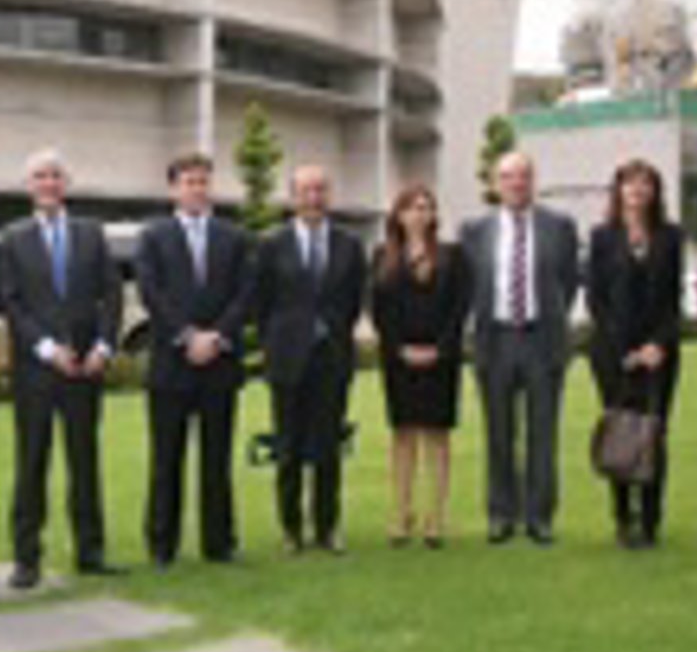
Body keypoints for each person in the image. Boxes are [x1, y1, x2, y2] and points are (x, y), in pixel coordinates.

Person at [0, 148, 124, 588]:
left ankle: (90, 551)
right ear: (28, 186)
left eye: (55, 175)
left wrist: (104, 347)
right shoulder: (13, 239)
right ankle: (26, 557)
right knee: (31, 462)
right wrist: (48, 349)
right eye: (40, 176)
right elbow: (11, 303)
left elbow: (112, 294)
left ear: (65, 184)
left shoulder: (91, 234)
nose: (48, 183)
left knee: (84, 462)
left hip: (86, 368)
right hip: (37, 370)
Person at [134, 153, 254, 568]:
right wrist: (187, 336)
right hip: (171, 364)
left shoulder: (233, 238)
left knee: (216, 459)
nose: (197, 189)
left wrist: (217, 336)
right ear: (174, 189)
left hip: (220, 362)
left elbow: (245, 293)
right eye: (189, 182)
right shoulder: (154, 237)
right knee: (166, 459)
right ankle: (162, 544)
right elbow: (151, 292)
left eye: (203, 182)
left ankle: (219, 543)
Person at [459, 151, 580, 546]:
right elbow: (468, 285)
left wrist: (551, 319)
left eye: (523, 176)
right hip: (494, 340)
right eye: (508, 177)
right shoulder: (475, 230)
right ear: (496, 184)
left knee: (543, 433)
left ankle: (539, 516)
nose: (516, 184)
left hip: (542, 339)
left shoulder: (559, 227)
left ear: (533, 181)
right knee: (498, 432)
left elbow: (569, 281)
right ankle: (501, 514)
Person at [253, 164, 366, 554]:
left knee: (328, 448)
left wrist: (333, 333)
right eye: (306, 191)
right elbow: (261, 303)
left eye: (320, 190)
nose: (314, 198)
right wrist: (276, 343)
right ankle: (291, 529)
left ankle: (327, 527)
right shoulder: (272, 244)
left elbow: (354, 300)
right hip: (287, 359)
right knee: (288, 448)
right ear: (293, 197)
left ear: (329, 195)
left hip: (332, 358)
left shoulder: (349, 245)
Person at [584, 159, 684, 549]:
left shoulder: (671, 237)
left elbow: (673, 301)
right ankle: (624, 517)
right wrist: (624, 351)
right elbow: (595, 299)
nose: (637, 190)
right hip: (613, 353)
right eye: (629, 184)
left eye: (645, 184)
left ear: (655, 192)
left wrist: (657, 345)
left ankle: (652, 519)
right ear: (619, 191)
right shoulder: (602, 237)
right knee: (621, 432)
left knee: (654, 433)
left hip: (659, 353)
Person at [370, 184, 470, 548]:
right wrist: (400, 348)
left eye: (426, 207)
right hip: (399, 359)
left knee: (436, 435)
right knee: (404, 435)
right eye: (412, 207)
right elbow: (377, 310)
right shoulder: (383, 256)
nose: (420, 213)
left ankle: (435, 517)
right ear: (399, 215)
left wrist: (439, 350)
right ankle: (401, 513)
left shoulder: (452, 256)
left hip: (441, 359)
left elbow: (461, 307)